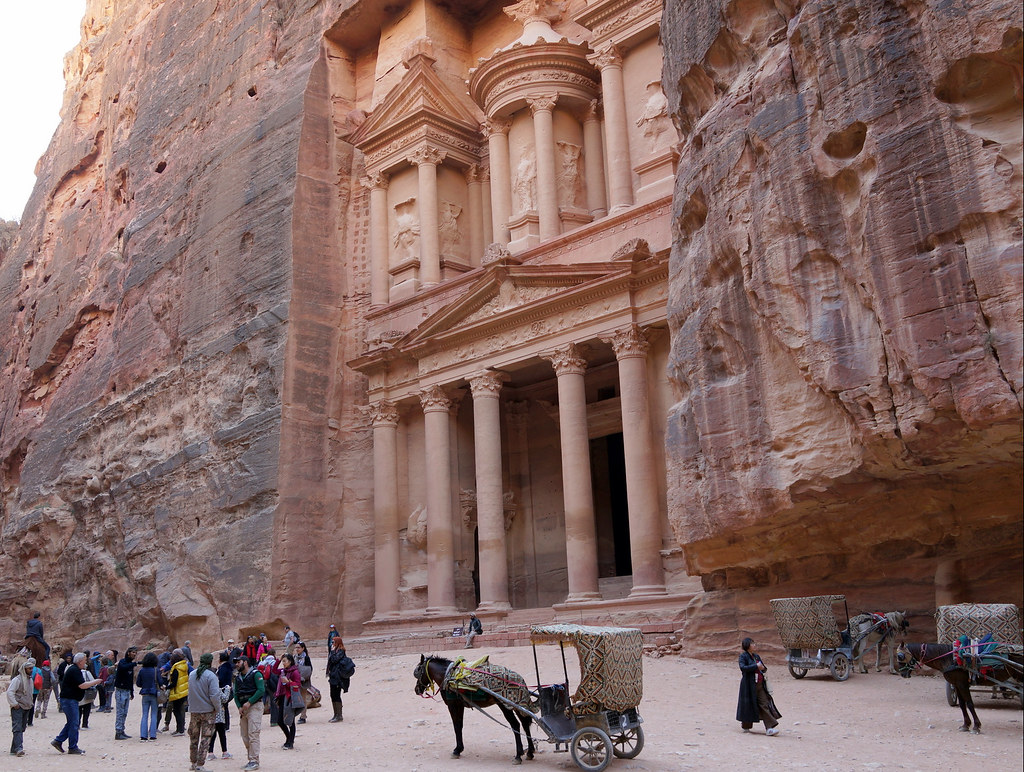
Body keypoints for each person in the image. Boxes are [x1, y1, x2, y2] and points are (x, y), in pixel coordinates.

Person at [52, 651, 102, 755]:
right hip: (69, 700)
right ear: (80, 661)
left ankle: (58, 741)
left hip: (69, 699)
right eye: (84, 660)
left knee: (71, 722)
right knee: (74, 723)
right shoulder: (75, 670)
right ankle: (72, 747)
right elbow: (82, 685)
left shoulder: (74, 669)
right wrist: (95, 681)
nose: (85, 662)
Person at [736, 638, 781, 736]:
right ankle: (746, 726)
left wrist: (763, 668)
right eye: (752, 644)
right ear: (747, 645)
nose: (754, 645)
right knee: (748, 705)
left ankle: (769, 727)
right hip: (748, 685)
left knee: (764, 703)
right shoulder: (743, 656)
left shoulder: (756, 656)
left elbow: (763, 668)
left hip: (760, 685)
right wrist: (756, 666)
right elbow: (743, 668)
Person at [187, 653, 220, 771]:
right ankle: (200, 764)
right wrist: (217, 708)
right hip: (208, 711)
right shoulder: (211, 676)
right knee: (205, 738)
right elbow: (214, 695)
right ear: (210, 662)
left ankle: (193, 762)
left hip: (194, 710)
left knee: (193, 737)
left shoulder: (192, 674)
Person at [233, 655, 266, 771]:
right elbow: (235, 694)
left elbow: (261, 690)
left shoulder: (256, 674)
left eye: (238, 662)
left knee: (253, 733)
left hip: (254, 706)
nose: (237, 664)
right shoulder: (238, 678)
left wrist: (250, 702)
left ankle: (254, 760)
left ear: (245, 662)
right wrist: (239, 706)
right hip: (244, 708)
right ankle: (251, 758)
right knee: (245, 735)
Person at [8, 656, 35, 757]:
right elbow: (10, 692)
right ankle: (19, 748)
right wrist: (14, 704)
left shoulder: (30, 680)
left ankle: (14, 749)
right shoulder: (17, 680)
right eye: (29, 669)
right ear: (24, 669)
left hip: (26, 706)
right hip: (18, 707)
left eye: (32, 668)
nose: (31, 670)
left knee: (22, 728)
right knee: (17, 727)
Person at [208, 651, 233, 760]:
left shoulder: (222, 669)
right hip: (219, 710)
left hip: (212, 710)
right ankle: (224, 752)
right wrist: (227, 690)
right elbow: (224, 698)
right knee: (221, 732)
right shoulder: (228, 668)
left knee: (212, 732)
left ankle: (210, 752)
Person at [274, 653, 301, 750]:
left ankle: (290, 742)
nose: (283, 663)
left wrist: (288, 682)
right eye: (283, 661)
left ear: (290, 661)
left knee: (290, 721)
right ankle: (288, 738)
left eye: (284, 661)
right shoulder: (283, 671)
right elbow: (274, 670)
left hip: (290, 698)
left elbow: (298, 685)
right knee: (280, 721)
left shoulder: (295, 672)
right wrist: (278, 660)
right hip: (282, 697)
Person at [325, 636, 354, 723]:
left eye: (333, 642)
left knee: (336, 695)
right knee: (332, 695)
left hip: (338, 677)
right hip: (333, 675)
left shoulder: (341, 651)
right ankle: (335, 714)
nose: (332, 644)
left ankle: (339, 715)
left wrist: (332, 651)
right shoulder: (334, 651)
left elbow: (334, 660)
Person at [113, 646, 138, 739]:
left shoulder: (130, 665)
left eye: (135, 653)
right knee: (120, 712)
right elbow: (123, 668)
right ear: (128, 653)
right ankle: (118, 732)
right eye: (133, 652)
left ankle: (122, 730)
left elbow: (130, 680)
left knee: (124, 712)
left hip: (127, 691)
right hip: (120, 690)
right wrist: (134, 664)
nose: (134, 654)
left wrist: (132, 692)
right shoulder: (122, 662)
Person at [136, 651, 160, 741]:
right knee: (154, 714)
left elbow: (138, 683)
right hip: (154, 693)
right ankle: (153, 734)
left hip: (145, 693)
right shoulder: (156, 670)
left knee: (144, 714)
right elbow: (160, 682)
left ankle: (143, 735)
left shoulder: (142, 670)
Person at [167, 648, 190, 736]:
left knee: (176, 711)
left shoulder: (176, 669)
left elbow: (174, 683)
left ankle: (180, 730)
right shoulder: (184, 666)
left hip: (177, 692)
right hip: (183, 691)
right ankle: (179, 729)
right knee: (179, 710)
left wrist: (166, 687)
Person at [293, 641, 313, 724]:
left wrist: (303, 677)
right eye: (296, 647)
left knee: (303, 698)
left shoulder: (306, 658)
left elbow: (309, 669)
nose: (297, 649)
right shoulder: (294, 657)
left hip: (303, 681)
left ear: (303, 648)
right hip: (295, 681)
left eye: (299, 647)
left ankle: (303, 716)